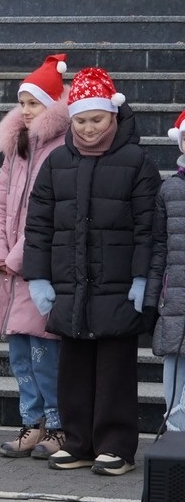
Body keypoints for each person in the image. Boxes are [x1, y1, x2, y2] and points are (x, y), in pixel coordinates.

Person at [24, 67, 163, 475]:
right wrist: (38, 276)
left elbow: (148, 228)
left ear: (113, 115)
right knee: (74, 368)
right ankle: (78, 441)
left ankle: (116, 445)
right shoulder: (56, 162)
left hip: (118, 286)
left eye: (96, 119)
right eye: (81, 120)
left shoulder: (137, 162)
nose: (88, 128)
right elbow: (39, 224)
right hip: (71, 284)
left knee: (115, 369)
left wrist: (142, 278)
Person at [0, 56, 70, 458]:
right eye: (22, 103)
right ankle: (31, 422)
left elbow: (48, 213)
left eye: (34, 103)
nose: (26, 111)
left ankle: (57, 424)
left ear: (52, 105)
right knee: (20, 353)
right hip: (11, 271)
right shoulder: (17, 148)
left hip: (39, 268)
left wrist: (18, 256)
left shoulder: (61, 148)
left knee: (45, 353)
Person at [156, 111, 185, 432]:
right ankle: (175, 430)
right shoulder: (169, 189)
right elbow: (158, 246)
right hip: (175, 294)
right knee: (174, 361)